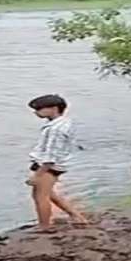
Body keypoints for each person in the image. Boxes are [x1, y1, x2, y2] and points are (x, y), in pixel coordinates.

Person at [27, 94, 88, 233]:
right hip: (55, 164)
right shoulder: (64, 123)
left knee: (40, 196)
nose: (36, 112)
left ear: (54, 109)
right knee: (49, 193)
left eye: (39, 109)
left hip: (49, 166)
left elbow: (50, 156)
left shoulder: (55, 129)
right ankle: (77, 216)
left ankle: (44, 226)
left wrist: (37, 175)